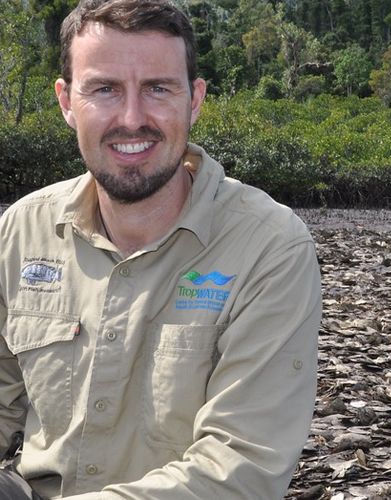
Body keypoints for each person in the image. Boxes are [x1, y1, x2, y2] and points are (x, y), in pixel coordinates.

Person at [0, 0, 321, 498]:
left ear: (194, 99)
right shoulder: (22, 229)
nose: (132, 118)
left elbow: (241, 469)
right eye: (104, 89)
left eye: (157, 89)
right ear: (66, 101)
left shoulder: (269, 248)